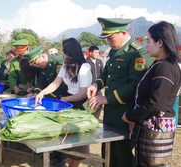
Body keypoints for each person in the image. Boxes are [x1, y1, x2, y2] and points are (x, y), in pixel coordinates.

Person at [87, 17, 152, 167]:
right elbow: (107, 73)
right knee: (109, 157)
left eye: (111, 37)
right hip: (110, 115)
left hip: (125, 115)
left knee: (124, 158)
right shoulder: (114, 51)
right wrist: (96, 85)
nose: (108, 41)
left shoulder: (138, 53)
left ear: (123, 32)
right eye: (106, 38)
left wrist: (106, 99)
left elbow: (135, 85)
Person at [122, 21, 181, 167]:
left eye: (149, 41)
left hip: (156, 131)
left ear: (160, 42)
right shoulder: (160, 65)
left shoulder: (165, 68)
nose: (146, 45)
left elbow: (156, 104)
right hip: (151, 128)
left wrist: (130, 116)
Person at [36, 38, 92, 167]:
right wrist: (42, 92)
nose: (63, 54)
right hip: (67, 103)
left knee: (78, 143)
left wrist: (66, 99)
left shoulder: (84, 67)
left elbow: (83, 93)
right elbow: (56, 83)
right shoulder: (65, 66)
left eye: (64, 51)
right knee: (67, 139)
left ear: (70, 52)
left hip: (79, 106)